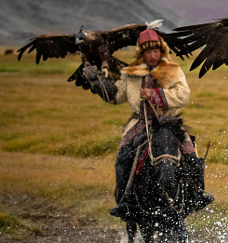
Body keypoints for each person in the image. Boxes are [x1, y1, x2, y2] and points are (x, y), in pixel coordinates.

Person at [84, 28, 213, 220]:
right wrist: (98, 83)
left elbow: (183, 96)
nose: (153, 55)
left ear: (161, 51)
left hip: (168, 122)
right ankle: (124, 201)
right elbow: (117, 96)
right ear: (141, 53)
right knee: (123, 158)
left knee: (190, 155)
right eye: (148, 52)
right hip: (141, 123)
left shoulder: (173, 70)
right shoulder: (130, 73)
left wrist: (155, 95)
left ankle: (197, 195)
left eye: (156, 51)